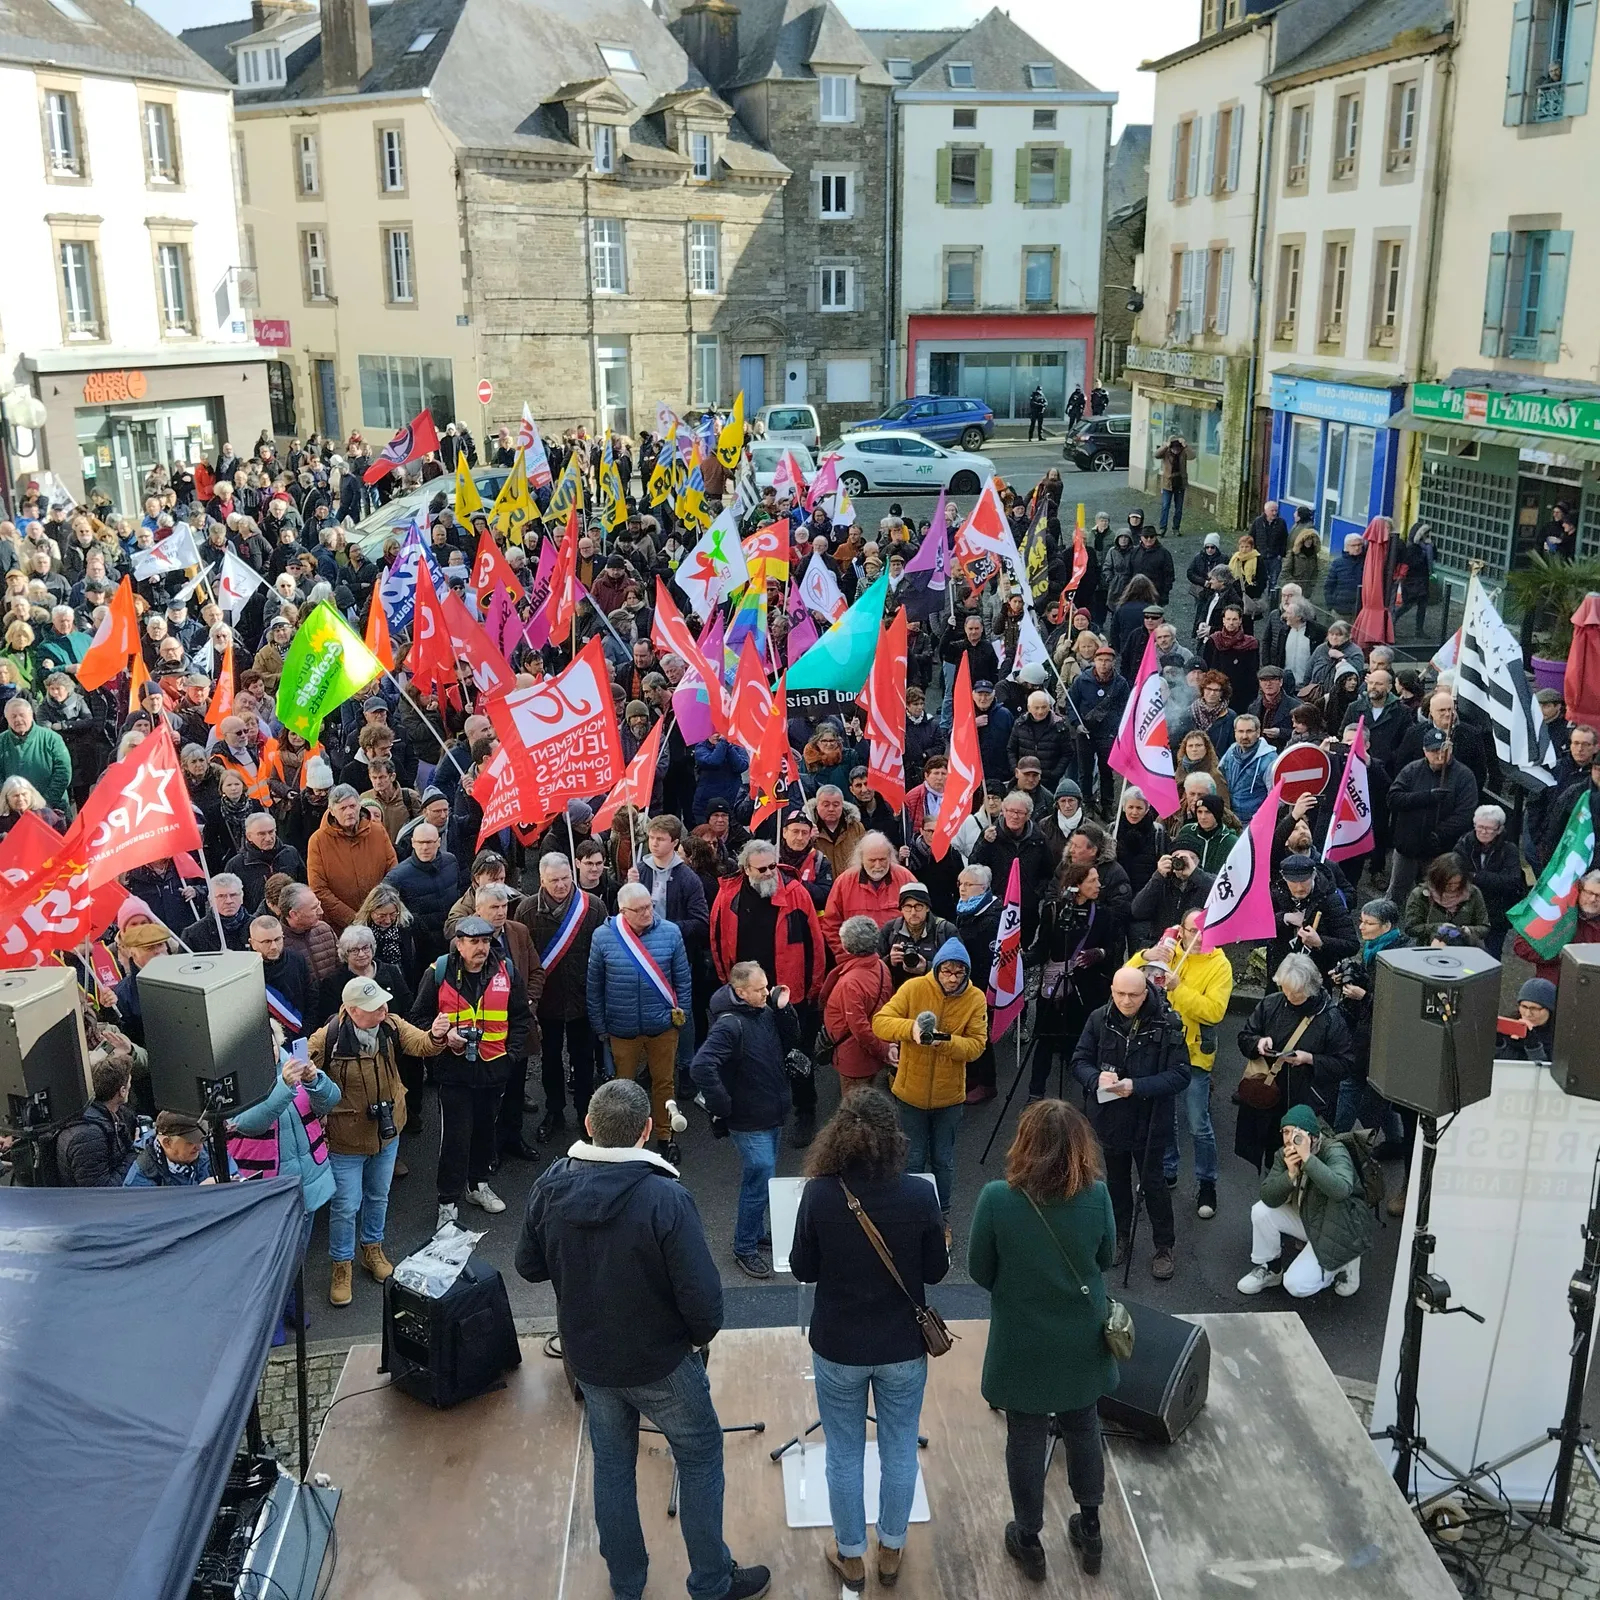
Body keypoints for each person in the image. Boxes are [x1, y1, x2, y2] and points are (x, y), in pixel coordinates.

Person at [515, 1079, 770, 1600]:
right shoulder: (665, 1197)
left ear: (588, 1126)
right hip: (663, 1366)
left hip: (591, 1359)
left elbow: (527, 1264)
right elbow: (704, 1302)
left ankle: (626, 1583)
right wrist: (694, 1344)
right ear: (647, 1132)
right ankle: (712, 1582)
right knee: (699, 1459)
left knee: (611, 1467)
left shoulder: (549, 1185)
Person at [790, 1089, 949, 1591]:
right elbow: (937, 1272)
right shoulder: (920, 1195)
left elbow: (802, 1267)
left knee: (842, 1453)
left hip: (838, 1345)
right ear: (893, 1138)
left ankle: (851, 1556)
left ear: (837, 1135)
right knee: (900, 1448)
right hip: (902, 1346)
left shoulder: (819, 1193)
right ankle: (891, 1551)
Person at [969, 1100, 1118, 1583]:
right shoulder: (1097, 1195)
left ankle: (1029, 1538)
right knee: (1083, 1424)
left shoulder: (996, 1198)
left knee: (1026, 1434)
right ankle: (1090, 1528)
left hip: (1024, 1341)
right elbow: (1107, 1255)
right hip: (1082, 1338)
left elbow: (979, 1270)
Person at [311, 974, 448, 1304]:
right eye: (375, 1007)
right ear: (353, 1011)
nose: (384, 1009)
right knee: (345, 1206)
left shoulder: (391, 1025)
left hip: (387, 1132)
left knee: (379, 1195)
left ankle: (373, 1250)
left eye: (384, 1003)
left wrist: (437, 1036)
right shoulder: (324, 1040)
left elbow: (421, 1045)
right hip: (345, 1140)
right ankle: (341, 1265)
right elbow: (304, 1086)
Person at [411, 913, 533, 1228]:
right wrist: (441, 1035)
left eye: (485, 941)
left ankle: (477, 1185)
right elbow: (419, 1017)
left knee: (485, 1132)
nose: (481, 948)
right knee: (455, 1137)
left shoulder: (507, 971)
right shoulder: (438, 972)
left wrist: (511, 1055)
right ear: (459, 944)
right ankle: (448, 1200)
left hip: (494, 1069)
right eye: (474, 942)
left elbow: (520, 1018)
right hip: (453, 1072)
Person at [1070, 966, 1188, 1279]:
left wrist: (1137, 1086)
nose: (1125, 1000)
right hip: (1109, 1119)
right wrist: (1096, 1079)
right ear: (1111, 991)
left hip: (1149, 1121)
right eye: (1119, 994)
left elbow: (1180, 1075)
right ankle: (1120, 1236)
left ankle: (1164, 1246)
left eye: (1133, 995)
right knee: (1116, 1181)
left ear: (1146, 992)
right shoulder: (1099, 1018)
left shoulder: (1167, 1023)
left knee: (1153, 1183)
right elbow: (1079, 1061)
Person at [690, 960, 800, 1279]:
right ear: (740, 992)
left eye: (766, 985)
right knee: (759, 1176)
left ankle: (753, 1232)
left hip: (771, 1110)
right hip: (748, 1118)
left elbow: (792, 1038)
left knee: (762, 1178)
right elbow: (700, 1067)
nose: (767, 991)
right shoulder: (729, 1024)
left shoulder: (764, 1011)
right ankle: (744, 1246)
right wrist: (723, 1105)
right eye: (760, 989)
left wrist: (783, 1009)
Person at [872, 938, 988, 1237]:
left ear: (967, 973)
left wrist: (944, 1041)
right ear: (936, 969)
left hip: (949, 1099)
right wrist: (911, 1030)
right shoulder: (913, 988)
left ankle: (941, 1216)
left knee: (943, 1161)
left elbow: (977, 1046)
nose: (951, 978)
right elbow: (880, 1022)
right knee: (911, 1158)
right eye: (946, 971)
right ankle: (910, 1214)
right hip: (909, 1094)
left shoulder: (975, 999)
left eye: (958, 973)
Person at [1131, 906, 1232, 1220]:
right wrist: (1147, 954)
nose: (1198, 938)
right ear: (1181, 930)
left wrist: (1179, 988)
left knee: (1198, 1124)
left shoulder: (1220, 965)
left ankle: (1207, 1183)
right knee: (1165, 1117)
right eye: (1192, 931)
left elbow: (1213, 1012)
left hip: (1193, 1055)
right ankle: (1169, 1170)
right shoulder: (1170, 950)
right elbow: (1130, 979)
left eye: (1205, 931)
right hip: (1160, 1048)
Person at [588, 882, 694, 1165]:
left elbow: (683, 979)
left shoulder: (671, 932)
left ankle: (665, 1136)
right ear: (623, 911)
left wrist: (680, 1016)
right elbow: (594, 986)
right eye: (640, 909)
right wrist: (600, 1026)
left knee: (664, 1083)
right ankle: (625, 1140)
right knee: (623, 1089)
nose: (648, 912)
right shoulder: (603, 937)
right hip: (621, 1028)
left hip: (662, 1026)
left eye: (650, 905)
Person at [1237, 1105, 1374, 1299]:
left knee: (1296, 1285)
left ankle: (1345, 1262)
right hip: (1310, 1217)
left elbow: (1341, 1190)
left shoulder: (1334, 1151)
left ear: (1313, 1137)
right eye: (1285, 1132)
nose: (1290, 1139)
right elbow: (1268, 1196)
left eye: (1296, 1133)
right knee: (1261, 1211)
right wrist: (1290, 1174)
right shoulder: (1283, 1154)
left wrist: (1308, 1160)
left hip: (1340, 1226)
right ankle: (1271, 1270)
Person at [1235, 953, 1355, 1170]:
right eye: (1285, 989)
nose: (1289, 996)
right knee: (1275, 1159)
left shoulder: (1330, 1018)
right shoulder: (1271, 1004)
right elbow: (1245, 1036)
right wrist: (1258, 1043)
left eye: (1296, 993)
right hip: (1270, 1100)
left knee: (1301, 1163)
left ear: (1310, 989)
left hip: (1306, 1104)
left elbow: (1345, 1064)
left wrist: (1310, 1059)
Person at [518, 852, 607, 1143]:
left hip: (583, 997)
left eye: (565, 879)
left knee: (584, 1061)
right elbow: (524, 958)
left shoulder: (593, 907)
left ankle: (586, 1114)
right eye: (554, 880)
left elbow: (603, 952)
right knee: (550, 1060)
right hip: (548, 999)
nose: (561, 885)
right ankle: (554, 1111)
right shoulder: (527, 910)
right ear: (541, 880)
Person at [1388, 728, 1479, 904]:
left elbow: (1465, 814)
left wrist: (1439, 833)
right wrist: (1427, 796)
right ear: (1425, 751)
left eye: (1443, 750)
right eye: (1433, 751)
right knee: (1397, 891)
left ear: (1450, 749)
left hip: (1440, 851)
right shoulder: (1412, 770)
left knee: (1435, 895)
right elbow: (1393, 799)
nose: (1439, 755)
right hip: (1408, 846)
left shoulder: (1464, 776)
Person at [820, 916, 897, 1092]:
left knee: (854, 1108)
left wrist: (882, 1049)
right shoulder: (880, 966)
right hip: (870, 1053)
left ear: (847, 946)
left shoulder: (851, 982)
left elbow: (859, 1028)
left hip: (855, 1059)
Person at [56, 1057, 138, 1186]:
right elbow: (101, 1192)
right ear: (122, 1092)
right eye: (129, 1084)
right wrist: (136, 1154)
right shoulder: (88, 1137)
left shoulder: (112, 1114)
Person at [125, 1109, 233, 1185]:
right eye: (191, 1142)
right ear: (167, 1143)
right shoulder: (142, 1175)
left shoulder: (212, 1150)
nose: (199, 1147)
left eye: (202, 1139)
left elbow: (237, 1179)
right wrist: (200, 1193)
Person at [1403, 852, 1489, 946]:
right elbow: (1411, 928)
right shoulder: (1420, 894)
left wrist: (1466, 930)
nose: (1453, 888)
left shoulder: (1473, 893)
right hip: (1430, 949)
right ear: (1437, 879)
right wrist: (1440, 928)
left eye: (1457, 883)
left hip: (1466, 949)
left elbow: (1484, 927)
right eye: (1448, 884)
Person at [1507, 977, 1556, 1064]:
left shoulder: (1560, 1036)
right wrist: (1499, 1044)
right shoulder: (1510, 1025)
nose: (1528, 1014)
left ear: (1549, 1009)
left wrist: (1533, 1046)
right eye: (1524, 1007)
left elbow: (1548, 1070)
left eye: (1535, 1009)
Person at [1156, 434, 1190, 535]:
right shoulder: (1166, 453)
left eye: (1178, 448)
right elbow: (1156, 455)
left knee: (1178, 508)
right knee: (1165, 506)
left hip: (1180, 483)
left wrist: (1186, 445)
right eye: (1174, 448)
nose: (1176, 450)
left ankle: (1176, 528)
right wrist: (1166, 445)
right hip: (1168, 484)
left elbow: (1193, 456)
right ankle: (1162, 528)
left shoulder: (1183, 453)